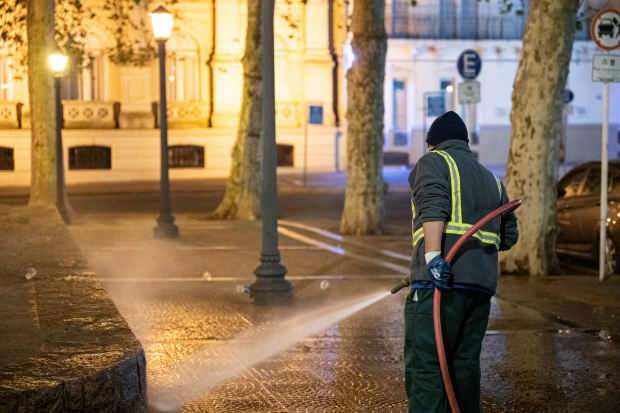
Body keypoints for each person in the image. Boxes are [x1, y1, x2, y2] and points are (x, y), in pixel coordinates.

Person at [404, 111, 519, 413]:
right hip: (480, 289)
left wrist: (433, 257)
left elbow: (432, 204)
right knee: (464, 366)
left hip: (438, 284)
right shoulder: (493, 181)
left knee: (427, 365)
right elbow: (509, 236)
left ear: (433, 144)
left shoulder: (434, 162)